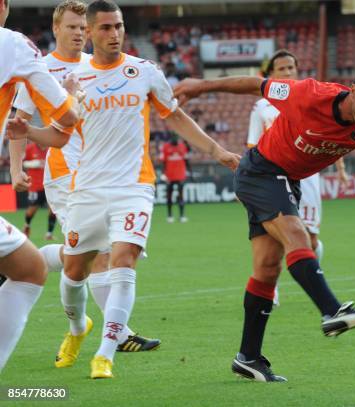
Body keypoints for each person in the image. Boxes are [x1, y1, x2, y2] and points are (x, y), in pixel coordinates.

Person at [175, 65, 355, 382]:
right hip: (261, 172)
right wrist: (199, 86)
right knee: (298, 235)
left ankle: (248, 357)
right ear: (352, 90)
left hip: (288, 180)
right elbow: (254, 84)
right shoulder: (308, 94)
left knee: (268, 268)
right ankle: (333, 311)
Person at [9, 0, 240, 379]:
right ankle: (77, 327)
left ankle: (106, 351)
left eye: (118, 26)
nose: (112, 34)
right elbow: (58, 134)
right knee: (74, 269)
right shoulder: (71, 81)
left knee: (122, 261)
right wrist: (27, 133)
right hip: (84, 186)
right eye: (104, 28)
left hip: (135, 186)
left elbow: (175, 116)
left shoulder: (144, 71)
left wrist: (217, 150)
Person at [10, 0, 160, 355]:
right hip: (65, 175)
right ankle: (120, 335)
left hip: (105, 176)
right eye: (72, 27)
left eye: (82, 27)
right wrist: (17, 168)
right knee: (100, 256)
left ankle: (23, 259)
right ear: (57, 28)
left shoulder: (97, 66)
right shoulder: (39, 68)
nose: (79, 33)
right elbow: (21, 120)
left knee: (86, 256)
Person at [0, 0, 80, 373]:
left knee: (30, 263)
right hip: (66, 174)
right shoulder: (13, 44)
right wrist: (72, 95)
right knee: (30, 271)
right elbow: (66, 116)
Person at [247, 49, 348, 306]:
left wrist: (341, 169)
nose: (288, 72)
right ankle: (273, 285)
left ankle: (313, 279)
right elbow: (252, 145)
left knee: (310, 238)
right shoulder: (261, 107)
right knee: (278, 237)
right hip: (273, 176)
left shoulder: (309, 99)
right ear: (271, 74)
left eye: (291, 68)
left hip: (308, 177)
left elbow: (330, 137)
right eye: (282, 69)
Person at [21, 142, 57, 240]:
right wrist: (35, 163)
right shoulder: (30, 148)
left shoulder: (51, 148)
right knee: (31, 211)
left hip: (50, 184)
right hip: (35, 186)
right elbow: (22, 162)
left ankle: (49, 234)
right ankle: (27, 226)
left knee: (53, 210)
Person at [160, 135, 189, 223]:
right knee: (169, 196)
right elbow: (163, 162)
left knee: (181, 196)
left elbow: (186, 160)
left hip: (180, 175)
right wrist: (163, 174)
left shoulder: (182, 146)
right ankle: (170, 216)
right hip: (170, 175)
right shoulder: (166, 147)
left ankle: (182, 216)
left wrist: (188, 172)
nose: (175, 141)